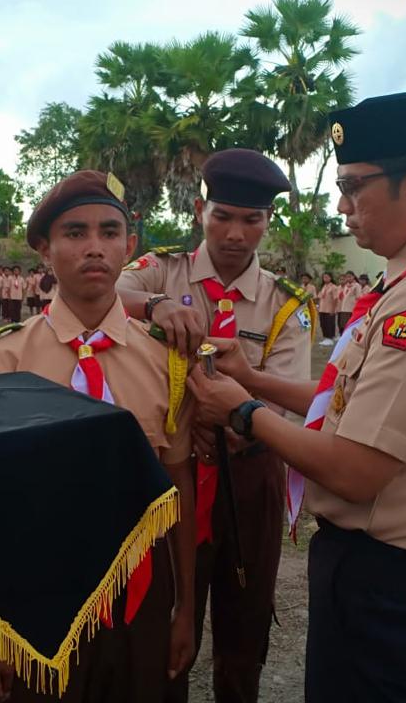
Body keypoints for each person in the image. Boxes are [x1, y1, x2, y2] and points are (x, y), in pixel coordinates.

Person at [186, 92, 406, 702]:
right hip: (386, 566)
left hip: (388, 573)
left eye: (354, 186)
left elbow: (358, 469)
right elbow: (346, 399)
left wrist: (242, 411)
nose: (342, 206)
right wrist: (254, 380)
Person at [0, 170, 196, 703]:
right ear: (45, 249)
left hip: (140, 590)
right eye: (74, 233)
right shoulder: (1, 360)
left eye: (109, 232)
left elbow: (179, 481)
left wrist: (185, 606)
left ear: (130, 246)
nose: (95, 248)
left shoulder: (166, 359)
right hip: (37, 591)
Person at [118, 147, 314, 703]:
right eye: (223, 215)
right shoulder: (162, 269)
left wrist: (234, 422)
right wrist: (154, 304)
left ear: (266, 223)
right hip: (170, 473)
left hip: (247, 477)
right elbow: (104, 290)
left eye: (251, 220)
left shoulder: (283, 304)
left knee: (244, 623)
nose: (235, 233)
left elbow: (283, 400)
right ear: (199, 209)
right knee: (166, 618)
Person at [317, 272, 339, 346]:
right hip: (322, 308)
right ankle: (326, 337)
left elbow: (335, 299)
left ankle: (330, 338)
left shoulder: (334, 287)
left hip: (329, 308)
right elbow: (320, 298)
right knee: (323, 324)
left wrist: (333, 309)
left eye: (327, 277)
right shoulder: (323, 287)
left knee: (329, 324)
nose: (325, 279)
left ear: (331, 278)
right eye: (324, 277)